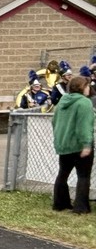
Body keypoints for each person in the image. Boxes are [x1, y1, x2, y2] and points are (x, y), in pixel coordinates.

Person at [51, 75, 93, 214]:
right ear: (82, 87)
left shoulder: (63, 100)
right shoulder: (84, 103)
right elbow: (84, 125)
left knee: (63, 174)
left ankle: (60, 203)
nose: (89, 88)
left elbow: (54, 121)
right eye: (87, 86)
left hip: (64, 143)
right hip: (78, 145)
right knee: (83, 176)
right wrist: (87, 144)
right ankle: (81, 207)